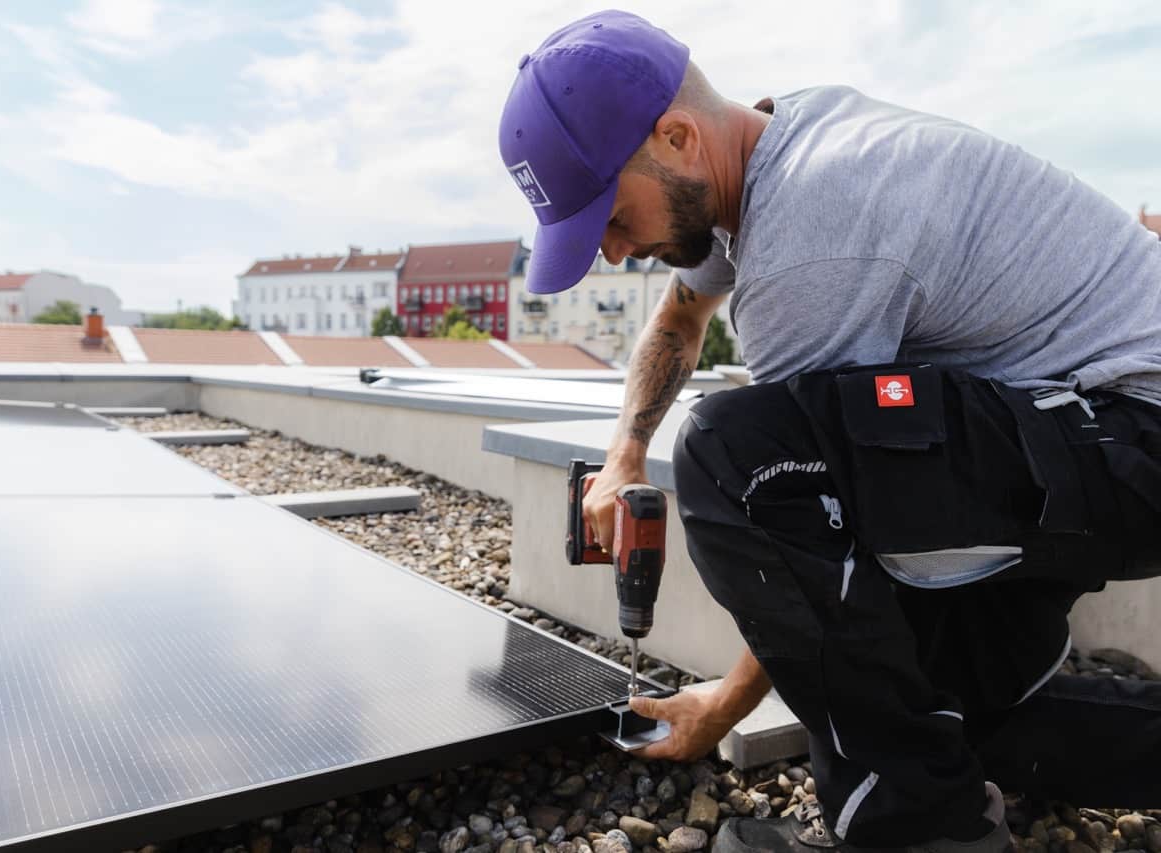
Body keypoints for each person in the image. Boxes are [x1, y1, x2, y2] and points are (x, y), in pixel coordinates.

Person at [497, 9, 1161, 853]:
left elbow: (789, 513)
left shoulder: (812, 238)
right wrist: (624, 449)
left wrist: (722, 704)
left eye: (612, 219)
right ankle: (945, 777)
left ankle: (923, 834)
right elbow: (682, 314)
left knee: (732, 450)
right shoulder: (773, 140)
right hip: (1082, 428)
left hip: (1131, 435)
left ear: (675, 138)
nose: (615, 252)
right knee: (937, 718)